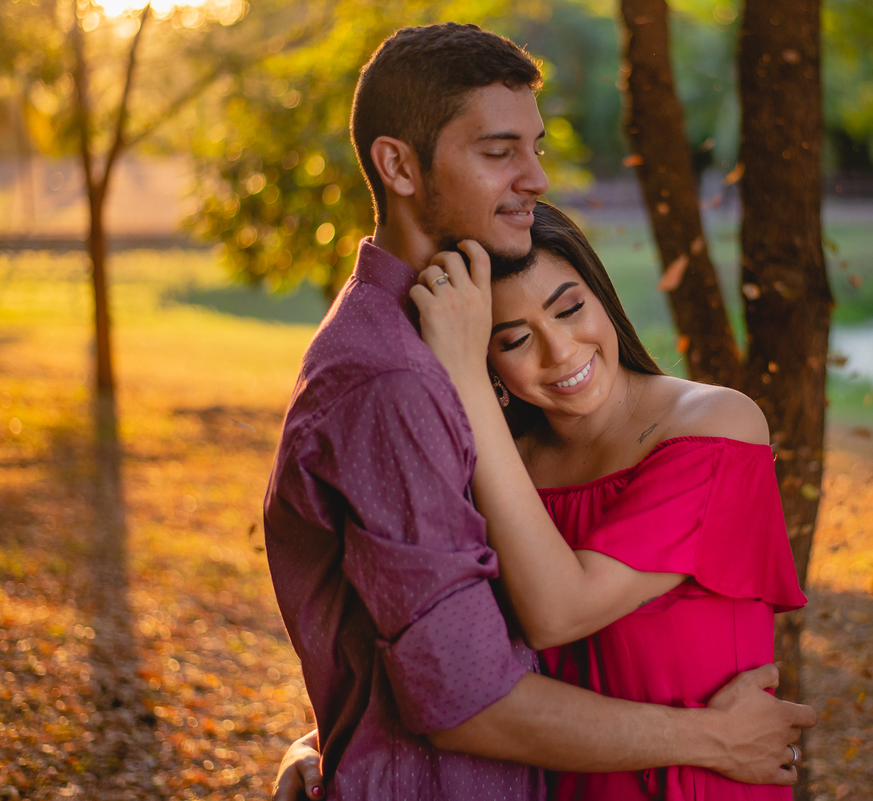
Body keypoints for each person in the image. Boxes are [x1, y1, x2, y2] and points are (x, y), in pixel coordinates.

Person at [264, 21, 816, 801]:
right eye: (498, 152)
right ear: (399, 165)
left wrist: (335, 732)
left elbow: (420, 621)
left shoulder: (466, 384)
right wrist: (712, 736)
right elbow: (464, 689)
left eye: (537, 147)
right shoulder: (399, 378)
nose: (535, 178)